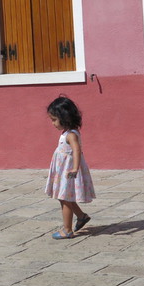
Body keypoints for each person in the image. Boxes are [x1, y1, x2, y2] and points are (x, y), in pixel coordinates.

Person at [45, 96, 95, 239]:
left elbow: (77, 150)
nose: (53, 123)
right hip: (63, 171)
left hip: (68, 171)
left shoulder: (71, 135)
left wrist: (74, 168)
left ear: (64, 117)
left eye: (54, 120)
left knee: (65, 198)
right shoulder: (66, 133)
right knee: (64, 197)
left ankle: (67, 230)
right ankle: (81, 216)